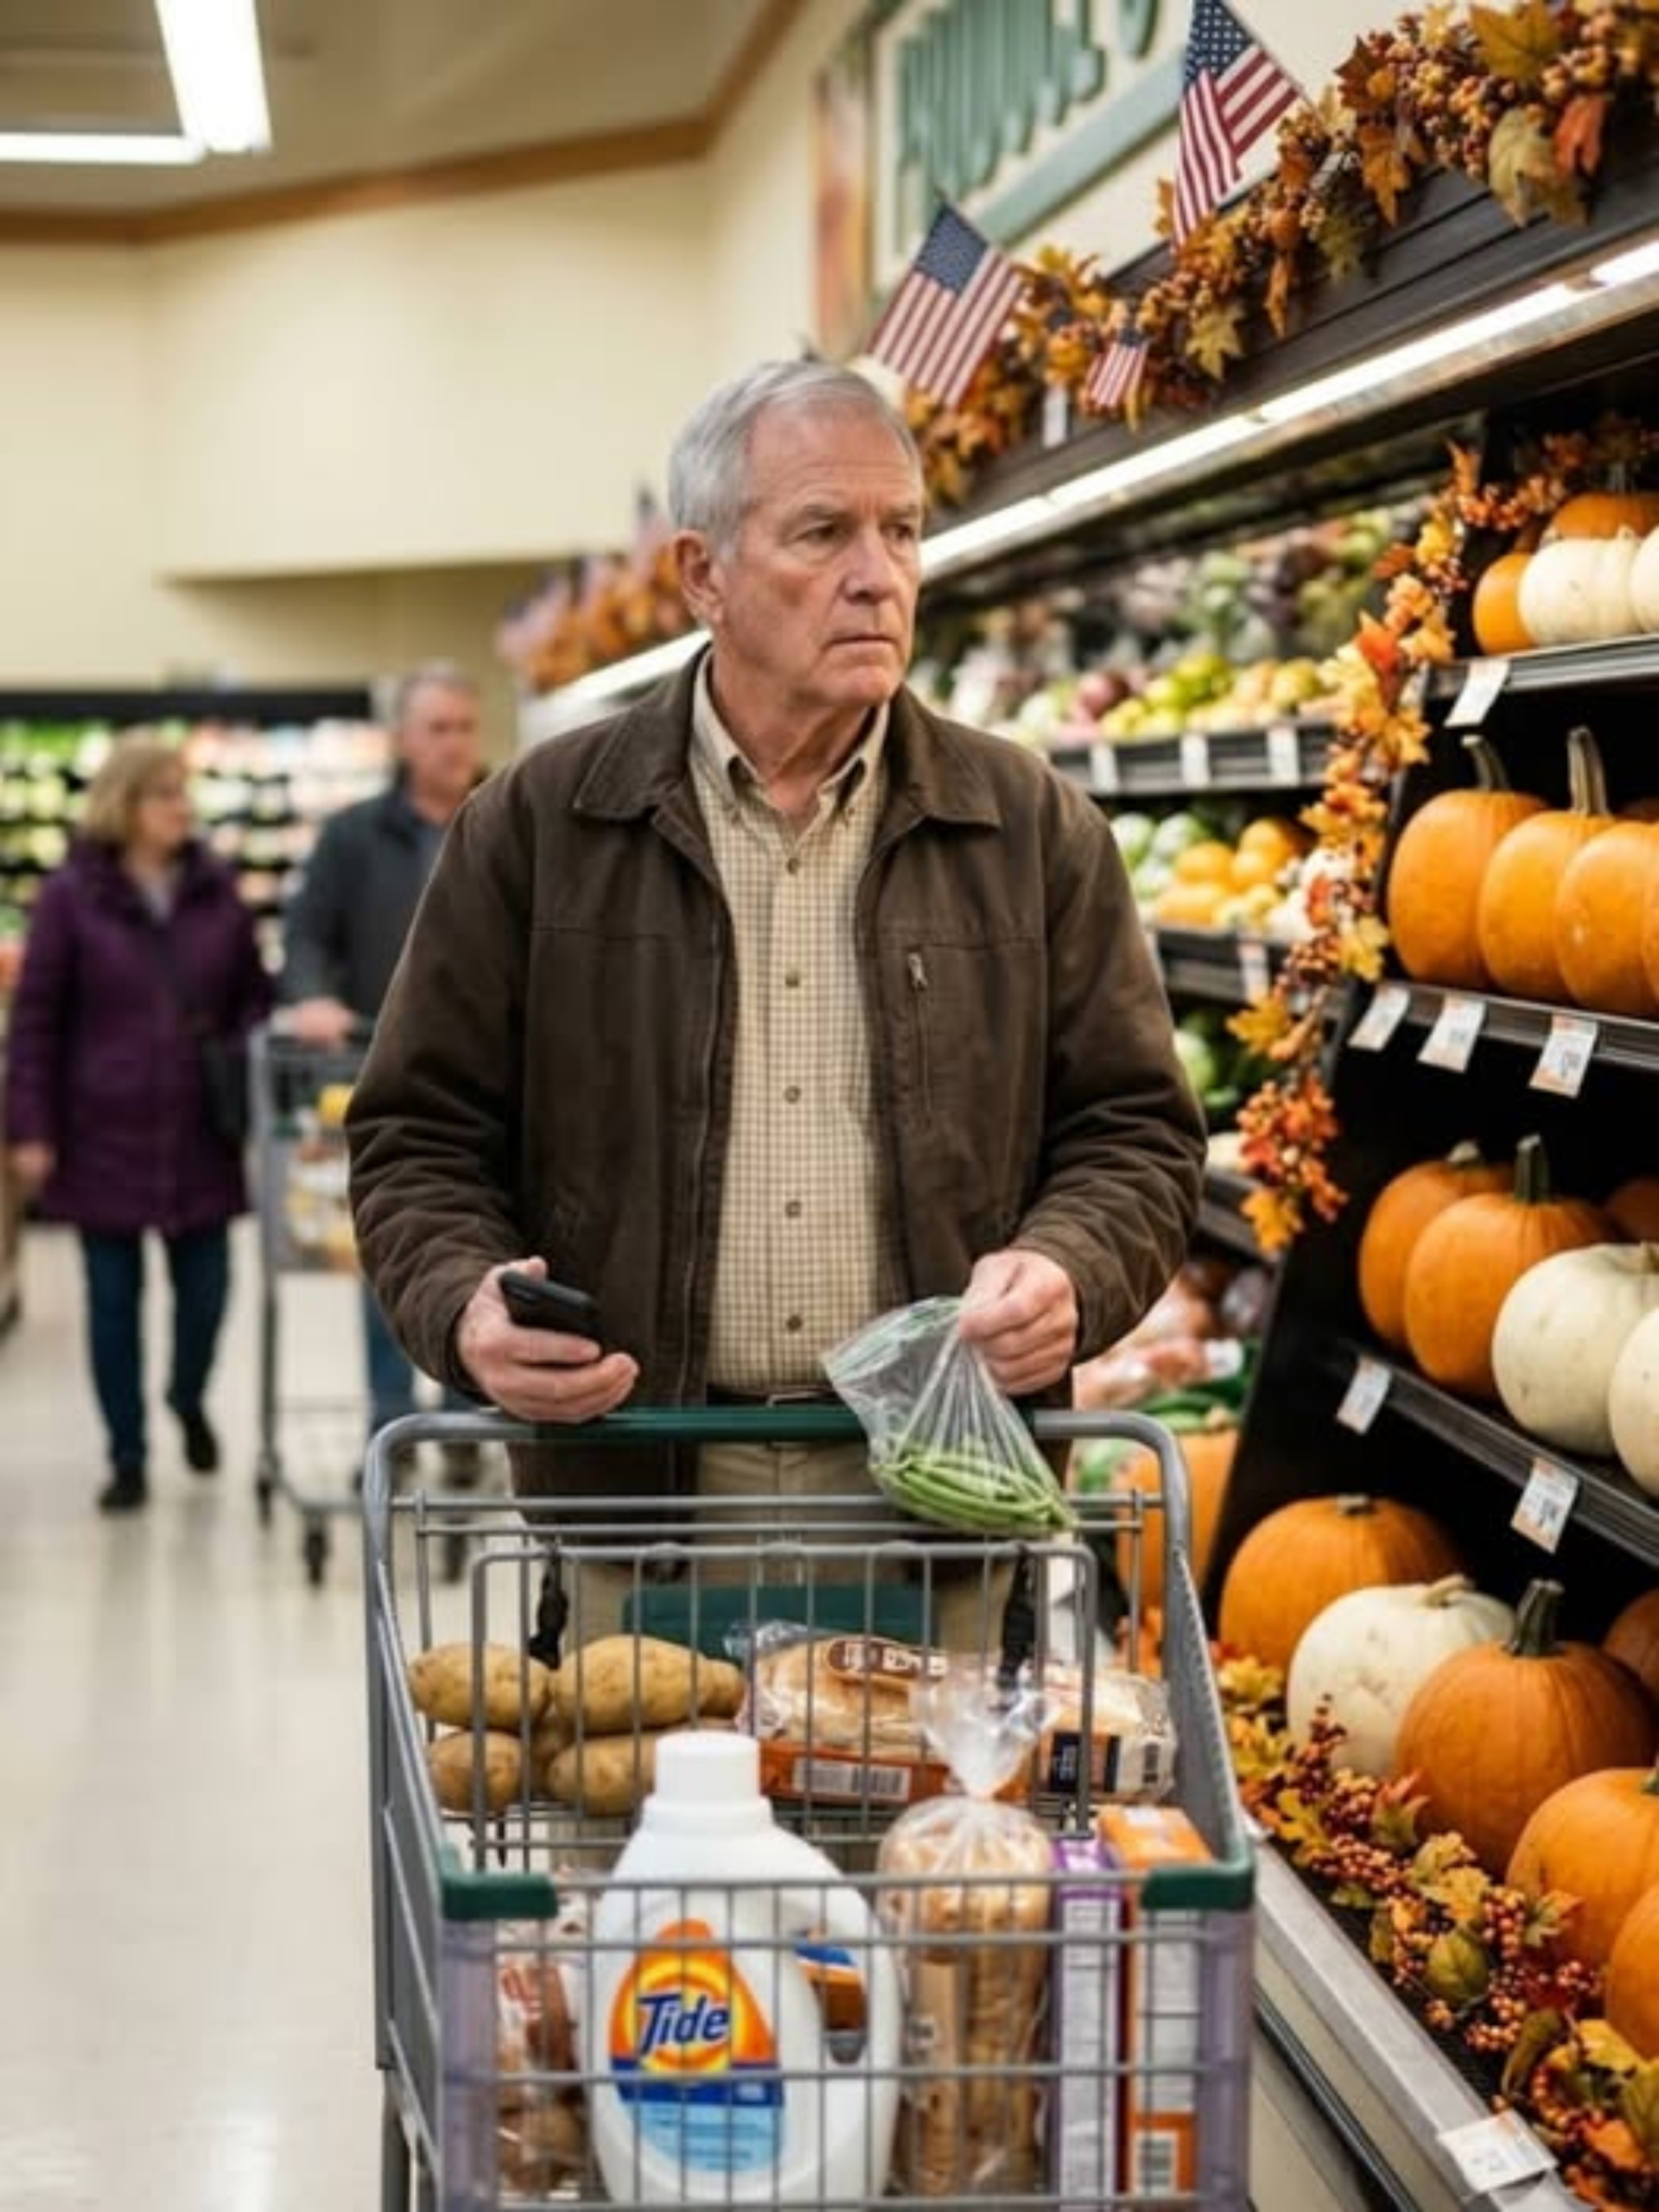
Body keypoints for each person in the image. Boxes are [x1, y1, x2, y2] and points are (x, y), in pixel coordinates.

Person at [346, 359, 1205, 1637]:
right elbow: (417, 1135)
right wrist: (465, 1302)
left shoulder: (1028, 828)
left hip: (941, 1503)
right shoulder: (540, 827)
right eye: (823, 532)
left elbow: (1135, 1132)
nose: (880, 573)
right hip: (641, 1497)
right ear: (704, 574)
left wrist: (1070, 1268)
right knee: (645, 1833)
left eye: (902, 529)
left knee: (934, 1839)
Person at [3, 737, 273, 1512]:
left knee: (209, 1296)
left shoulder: (217, 890)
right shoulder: (69, 897)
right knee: (112, 1307)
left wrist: (249, 1040)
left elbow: (254, 996)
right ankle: (126, 1453)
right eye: (164, 794)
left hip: (199, 1135)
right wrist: (31, 1128)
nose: (181, 808)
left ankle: (187, 1399)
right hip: (101, 1133)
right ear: (123, 804)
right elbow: (37, 1023)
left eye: (184, 793)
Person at [279, 660, 485, 1465]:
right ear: (402, 737)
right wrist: (310, 996)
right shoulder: (352, 836)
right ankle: (392, 1421)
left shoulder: (507, 815)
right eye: (438, 728)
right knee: (390, 1248)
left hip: (490, 1080)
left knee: (484, 1252)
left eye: (465, 726)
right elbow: (304, 936)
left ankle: (466, 1420)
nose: (455, 744)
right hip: (382, 1076)